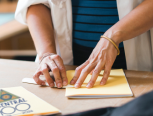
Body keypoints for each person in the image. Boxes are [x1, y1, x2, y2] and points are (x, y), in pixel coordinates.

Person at [15, 0, 153, 89]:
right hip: (68, 67)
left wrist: (112, 36)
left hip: (137, 66)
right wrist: (46, 53)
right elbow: (35, 3)